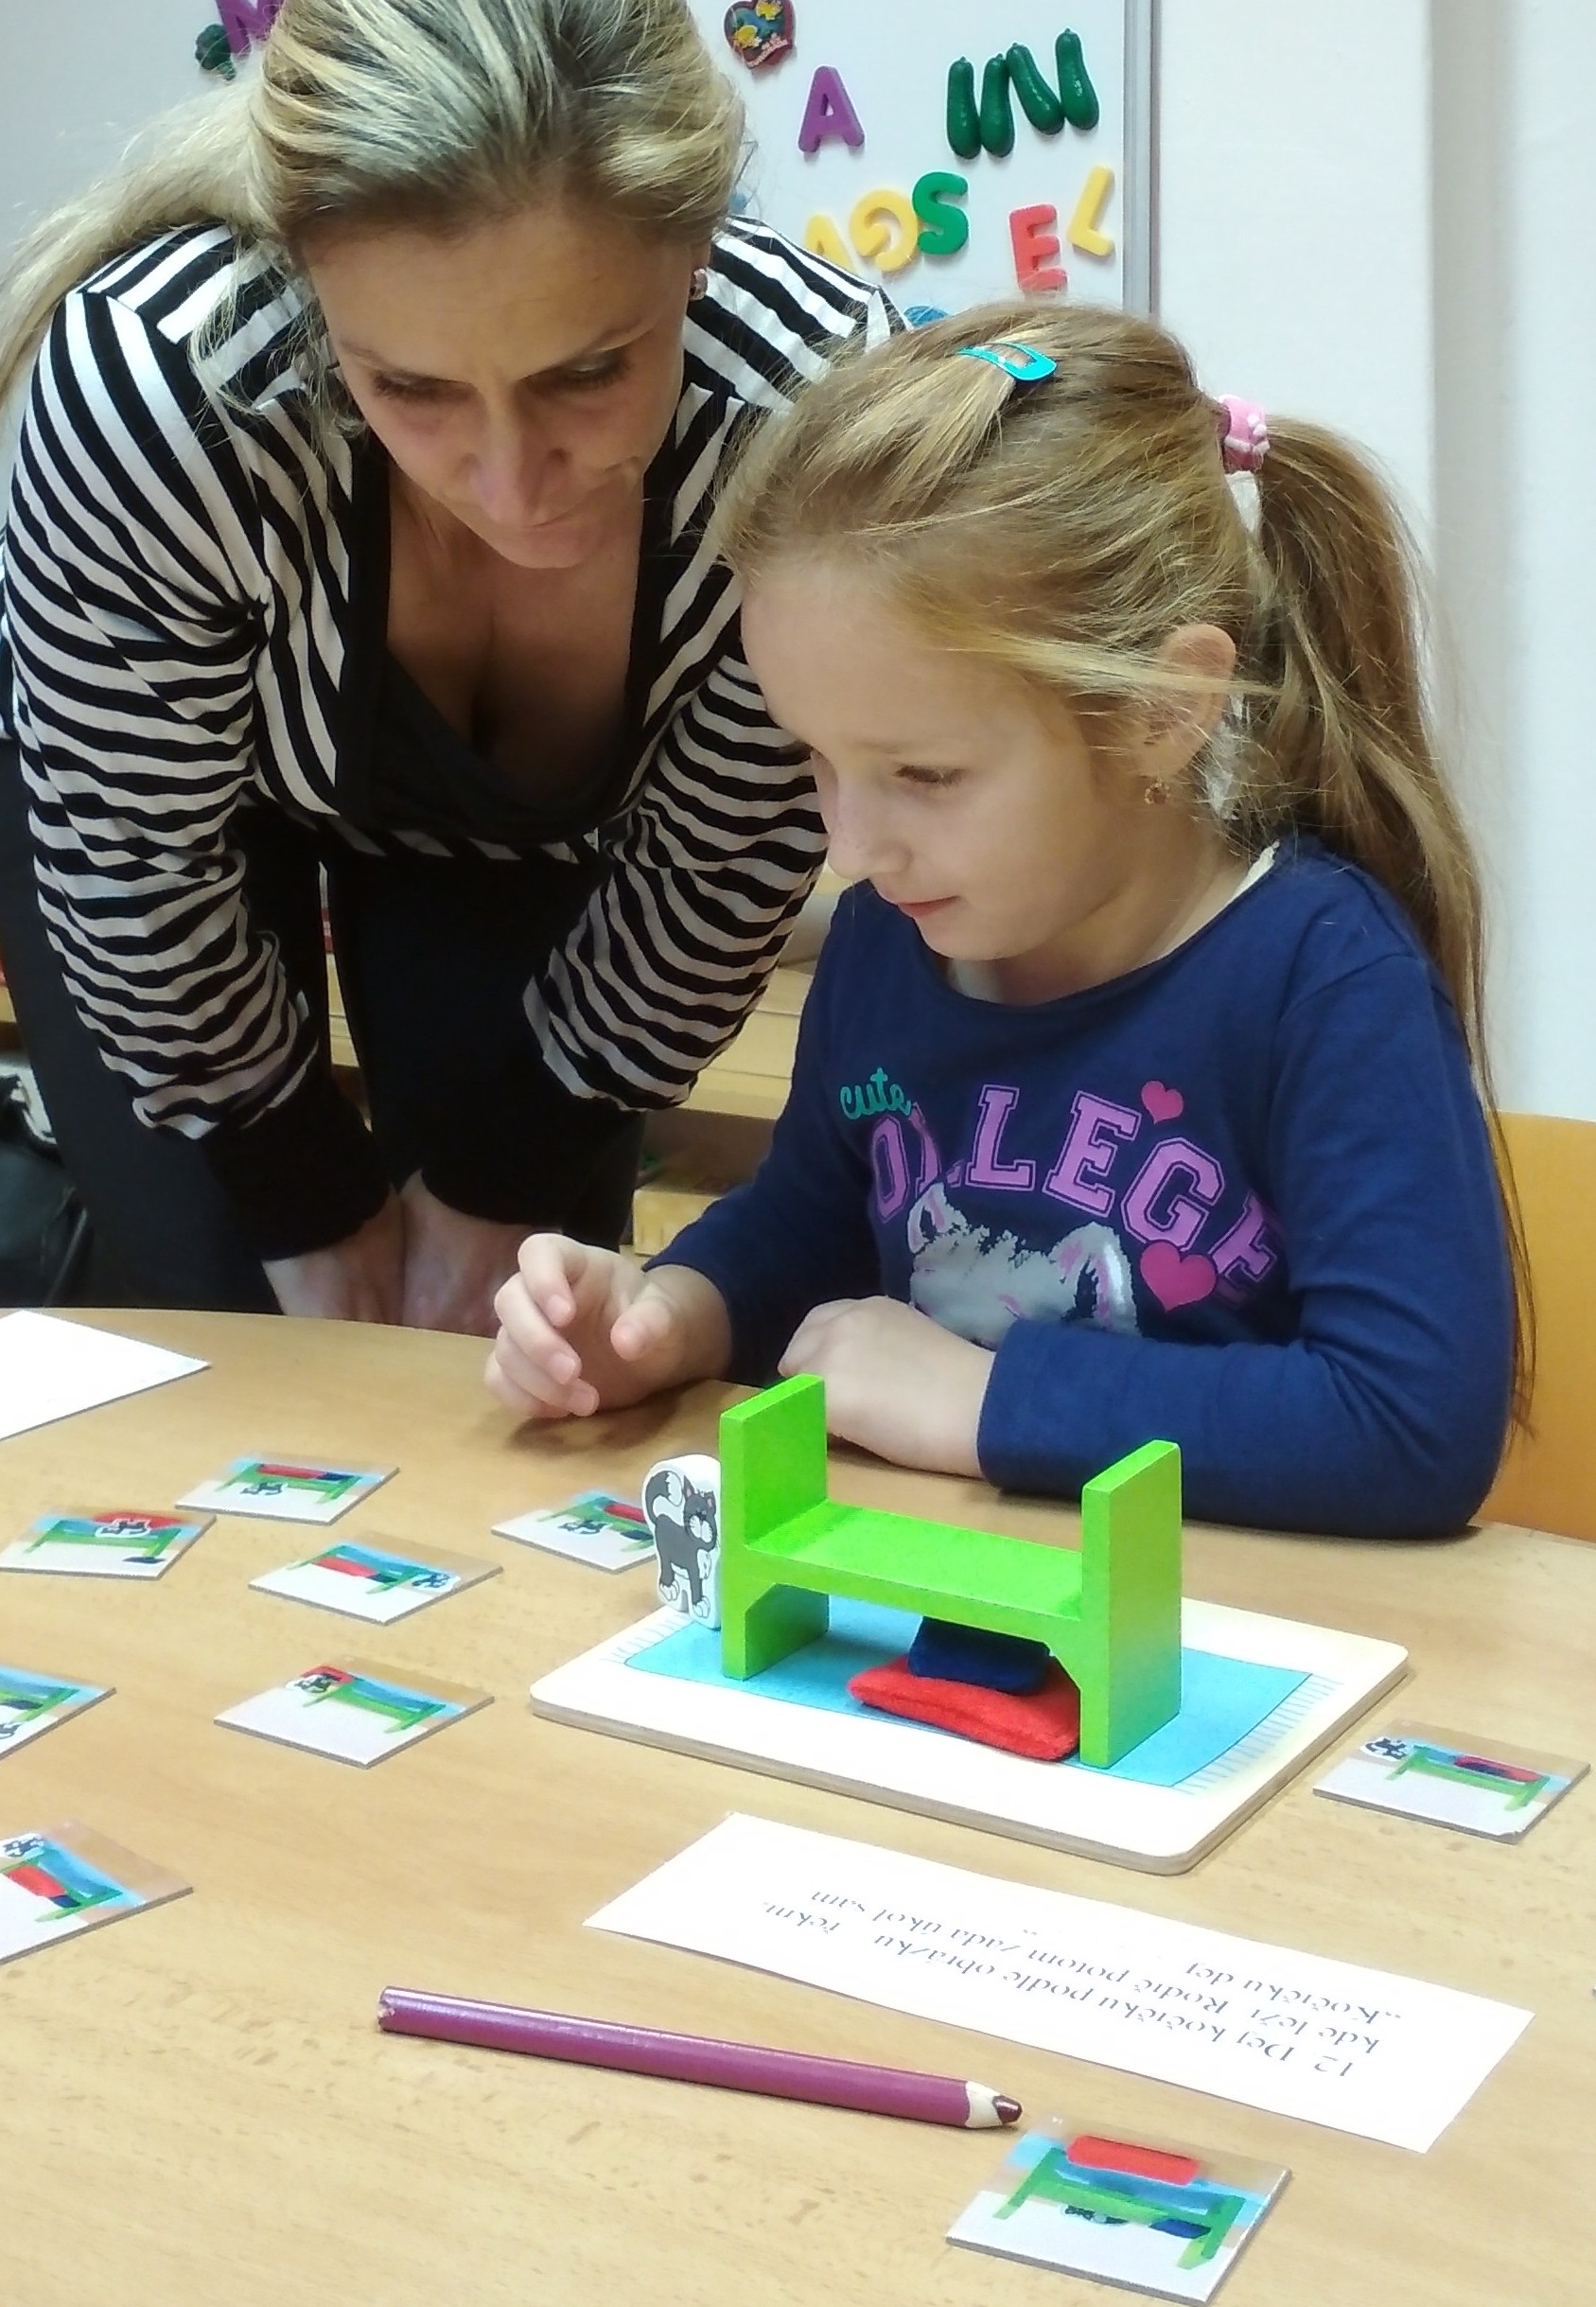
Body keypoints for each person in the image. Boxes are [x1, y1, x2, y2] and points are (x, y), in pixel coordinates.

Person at [0, 0, 895, 1323]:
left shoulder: (800, 410)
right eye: (411, 387)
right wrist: (304, 1197)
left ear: (698, 252)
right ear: (314, 289)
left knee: (512, 1321)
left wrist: (503, 1177)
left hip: (525, 830)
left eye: (590, 370)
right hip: (145, 815)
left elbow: (719, 863)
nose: (510, 486)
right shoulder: (171, 387)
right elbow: (139, 872)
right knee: (227, 1313)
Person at [487, 303, 1530, 1538]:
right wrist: (669, 1315)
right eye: (814, 759)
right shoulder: (892, 938)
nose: (850, 850)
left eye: (924, 774)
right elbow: (813, 1223)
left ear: (1163, 711)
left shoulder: (1322, 978)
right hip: (943, 1592)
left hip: (1220, 1625)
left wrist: (984, 1403)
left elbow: (1409, 1425)